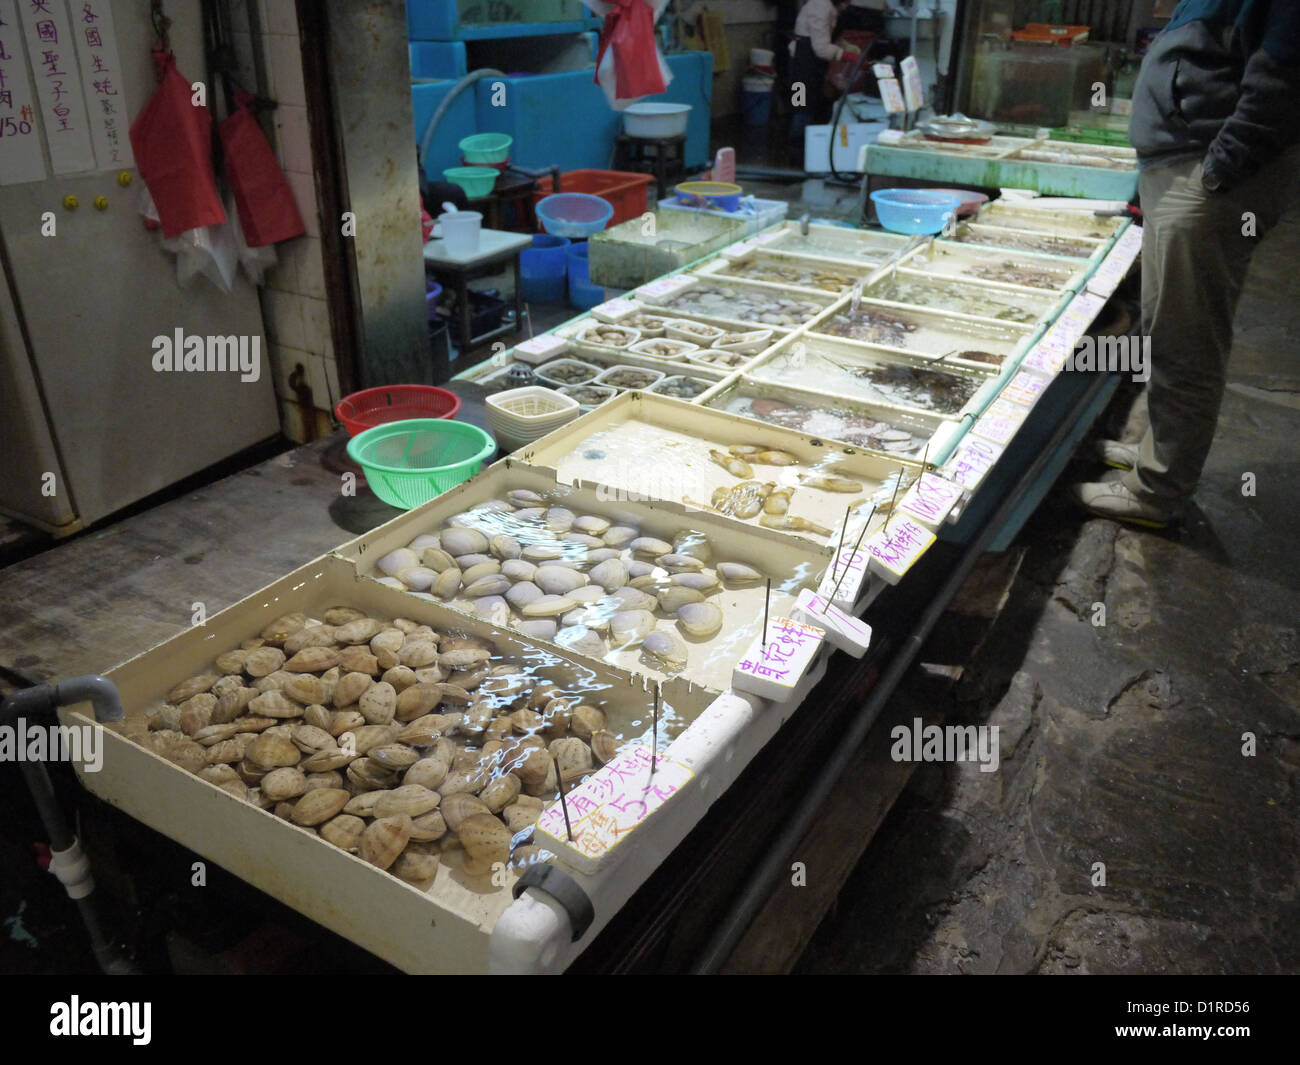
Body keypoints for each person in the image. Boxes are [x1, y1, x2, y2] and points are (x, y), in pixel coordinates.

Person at [1074, 0, 1300, 527]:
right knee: (1165, 327)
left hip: (1208, 173)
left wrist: (1222, 168)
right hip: (1180, 165)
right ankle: (1154, 452)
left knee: (1186, 339)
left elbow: (1285, 74)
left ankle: (1159, 489)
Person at [788, 0, 859, 145]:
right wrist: (846, 55)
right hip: (801, 62)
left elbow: (827, 36)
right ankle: (796, 144)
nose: (846, 6)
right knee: (800, 104)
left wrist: (848, 48)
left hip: (812, 63)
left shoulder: (829, 7)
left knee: (811, 103)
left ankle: (807, 143)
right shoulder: (819, 6)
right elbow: (820, 48)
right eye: (845, 2)